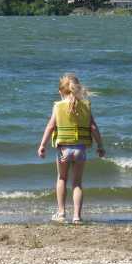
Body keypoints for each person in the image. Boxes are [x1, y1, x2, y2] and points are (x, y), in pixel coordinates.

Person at [37, 73, 105, 224]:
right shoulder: (85, 106)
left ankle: (61, 213)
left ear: (61, 91)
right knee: (77, 183)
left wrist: (42, 145)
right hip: (80, 149)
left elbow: (50, 126)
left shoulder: (58, 106)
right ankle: (77, 217)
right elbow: (93, 127)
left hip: (63, 150)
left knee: (62, 178)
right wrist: (100, 145)